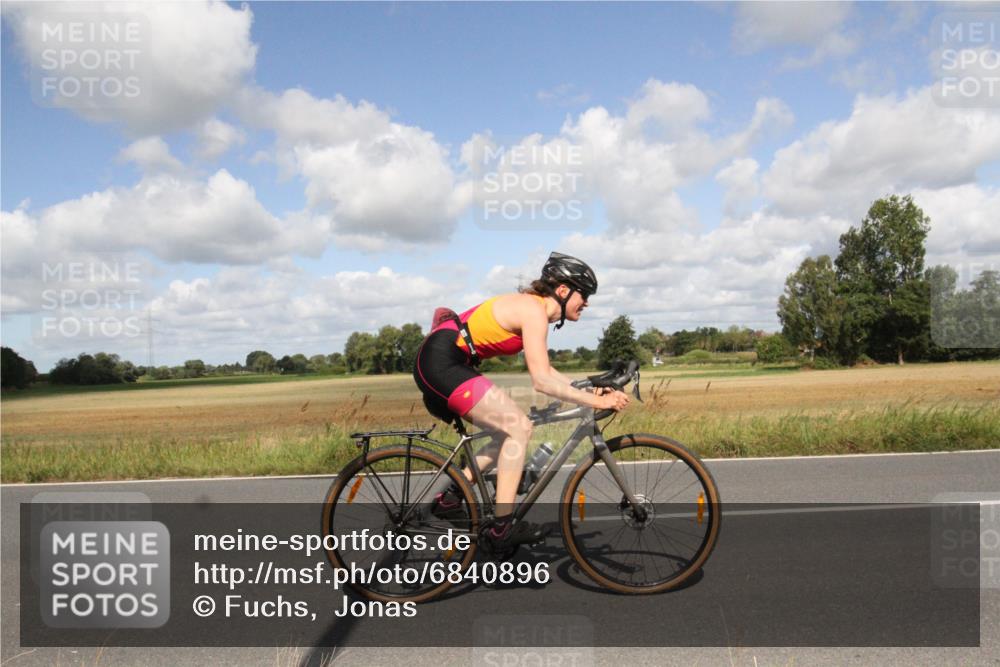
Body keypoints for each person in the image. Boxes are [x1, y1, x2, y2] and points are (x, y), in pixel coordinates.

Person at [412, 251, 631, 550]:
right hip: (442, 361)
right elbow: (541, 381)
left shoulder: (533, 310)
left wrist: (590, 390)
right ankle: (502, 528)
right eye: (585, 294)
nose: (588, 303)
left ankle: (451, 497)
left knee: (507, 432)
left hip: (448, 359)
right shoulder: (533, 311)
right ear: (564, 291)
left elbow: (548, 371)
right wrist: (596, 402)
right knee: (519, 427)